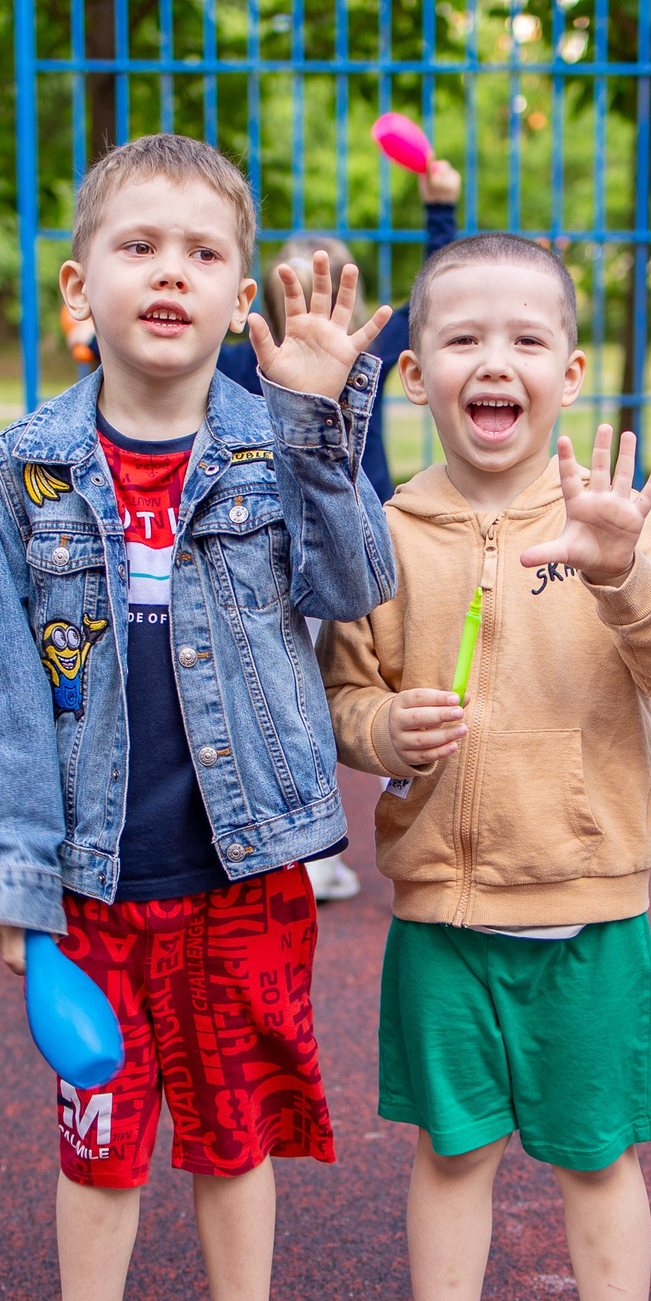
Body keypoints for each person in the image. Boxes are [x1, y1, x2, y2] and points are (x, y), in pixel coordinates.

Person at [0, 133, 393, 1301]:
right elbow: (4, 689)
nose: (170, 273)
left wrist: (324, 424)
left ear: (236, 293)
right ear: (80, 288)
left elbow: (358, 575)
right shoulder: (23, 465)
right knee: (100, 1135)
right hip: (94, 877)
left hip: (244, 867)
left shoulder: (276, 441)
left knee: (235, 1124)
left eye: (201, 254)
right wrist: (14, 890)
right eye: (139, 247)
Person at [320, 233, 651, 1301]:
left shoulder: (613, 520)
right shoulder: (384, 535)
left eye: (526, 339)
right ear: (415, 372)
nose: (496, 360)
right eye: (463, 338)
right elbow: (345, 691)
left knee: (597, 1154)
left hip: (590, 914)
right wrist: (384, 729)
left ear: (572, 370)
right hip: (442, 909)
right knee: (451, 1150)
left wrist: (621, 576)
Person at [218, 155, 462, 904]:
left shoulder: (371, 352)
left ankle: (324, 840)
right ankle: (290, 839)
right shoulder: (235, 359)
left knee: (343, 689)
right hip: (262, 542)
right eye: (299, 286)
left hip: (351, 539)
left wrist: (440, 209)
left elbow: (438, 297)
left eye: (330, 286)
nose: (314, 308)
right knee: (280, 691)